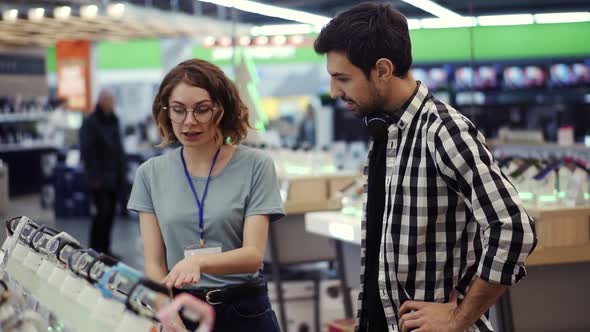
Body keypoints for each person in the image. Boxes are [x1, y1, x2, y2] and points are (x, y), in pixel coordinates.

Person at [314, 3, 537, 332]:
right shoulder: (386, 132)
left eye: (342, 78)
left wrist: (460, 318)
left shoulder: (442, 130)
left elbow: (514, 228)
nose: (334, 92)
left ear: (382, 70)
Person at [127, 59, 285, 331]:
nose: (189, 122)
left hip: (245, 309)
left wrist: (199, 261)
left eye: (202, 110)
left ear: (222, 110)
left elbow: (253, 255)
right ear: (166, 112)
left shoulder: (256, 165)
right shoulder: (150, 174)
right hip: (183, 310)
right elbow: (154, 264)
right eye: (178, 110)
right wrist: (168, 314)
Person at [80, 90, 126, 256]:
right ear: (101, 101)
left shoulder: (114, 120)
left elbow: (119, 148)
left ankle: (105, 249)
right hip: (98, 178)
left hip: (114, 176)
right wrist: (94, 176)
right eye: (108, 100)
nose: (111, 103)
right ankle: (94, 248)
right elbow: (86, 151)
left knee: (111, 214)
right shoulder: (90, 122)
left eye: (112, 100)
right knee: (101, 212)